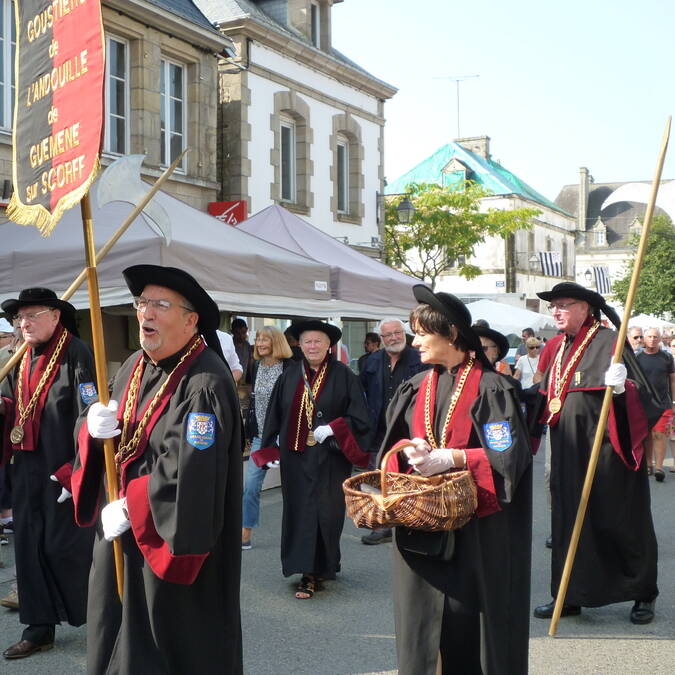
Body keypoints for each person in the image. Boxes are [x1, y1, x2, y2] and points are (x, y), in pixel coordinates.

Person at [70, 265, 243, 674]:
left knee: (160, 648)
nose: (145, 313)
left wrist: (131, 507)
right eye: (141, 303)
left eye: (160, 305)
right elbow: (116, 430)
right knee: (112, 630)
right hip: (120, 533)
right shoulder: (133, 365)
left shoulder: (205, 382)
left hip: (166, 537)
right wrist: (91, 428)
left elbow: (192, 471)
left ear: (191, 319)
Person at [379, 285, 532, 675]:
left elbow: (509, 459)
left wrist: (455, 457)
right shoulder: (416, 387)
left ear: (449, 334)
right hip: (421, 523)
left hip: (474, 531)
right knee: (420, 627)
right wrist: (411, 453)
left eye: (422, 334)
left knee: (466, 627)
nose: (415, 342)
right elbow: (388, 449)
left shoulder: (492, 388)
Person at [532, 282, 659, 625]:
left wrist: (622, 389)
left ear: (586, 308)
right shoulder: (556, 346)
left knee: (620, 521)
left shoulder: (610, 342)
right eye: (552, 305)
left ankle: (641, 592)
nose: (555, 310)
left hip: (607, 452)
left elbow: (646, 400)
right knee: (569, 522)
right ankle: (570, 595)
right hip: (566, 450)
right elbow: (544, 395)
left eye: (563, 304)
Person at [0, 288, 96, 660]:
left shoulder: (76, 352)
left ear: (55, 316)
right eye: (19, 318)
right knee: (27, 546)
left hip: (62, 468)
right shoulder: (16, 357)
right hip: (25, 468)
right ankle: (38, 628)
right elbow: (11, 405)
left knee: (65, 546)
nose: (23, 324)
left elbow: (89, 413)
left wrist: (76, 469)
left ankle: (105, 612)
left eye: (32, 315)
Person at [253, 320, 371, 599]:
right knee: (301, 512)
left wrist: (333, 428)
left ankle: (326, 563)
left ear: (329, 345)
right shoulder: (290, 375)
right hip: (297, 457)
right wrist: (269, 448)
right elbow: (274, 414)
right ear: (300, 345)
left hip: (330, 458)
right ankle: (307, 572)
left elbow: (361, 418)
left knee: (326, 513)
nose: (313, 346)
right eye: (307, 341)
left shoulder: (344, 376)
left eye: (318, 341)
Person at [360, 317, 429, 545]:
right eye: (388, 335)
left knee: (405, 477)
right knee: (375, 475)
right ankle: (381, 523)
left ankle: (405, 521)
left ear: (404, 333)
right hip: (378, 429)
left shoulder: (420, 359)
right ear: (381, 338)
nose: (393, 338)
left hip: (407, 429)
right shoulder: (370, 361)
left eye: (397, 333)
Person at [242, 326, 293, 550]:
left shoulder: (290, 368)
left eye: (265, 340)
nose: (260, 343)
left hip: (286, 437)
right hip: (260, 438)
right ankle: (245, 533)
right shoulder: (256, 366)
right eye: (258, 339)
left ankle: (297, 533)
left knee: (294, 486)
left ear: (276, 342)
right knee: (251, 486)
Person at [636, 327, 675, 481]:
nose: (652, 339)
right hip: (643, 404)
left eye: (655, 336)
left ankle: (659, 467)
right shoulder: (638, 358)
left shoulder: (666, 357)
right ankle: (648, 465)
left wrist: (673, 401)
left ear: (660, 339)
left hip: (663, 403)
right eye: (649, 336)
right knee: (646, 436)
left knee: (659, 434)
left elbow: (673, 380)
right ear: (644, 339)